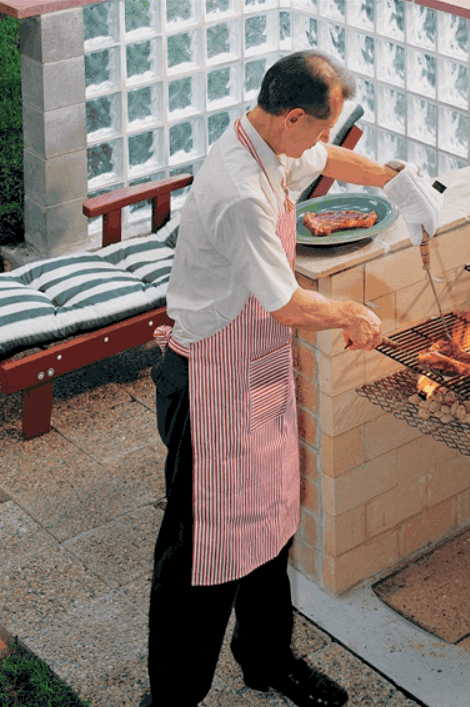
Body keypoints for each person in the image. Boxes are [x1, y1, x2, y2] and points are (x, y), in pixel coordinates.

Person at [143, 50, 441, 707]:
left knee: (270, 529)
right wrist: (353, 314)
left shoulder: (269, 142)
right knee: (199, 559)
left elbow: (327, 160)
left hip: (254, 372)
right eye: (317, 127)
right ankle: (169, 700)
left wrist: (397, 180)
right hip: (208, 386)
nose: (321, 142)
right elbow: (287, 305)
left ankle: (266, 659)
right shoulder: (239, 190)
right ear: (293, 115)